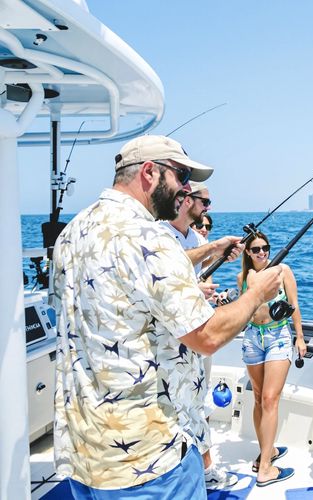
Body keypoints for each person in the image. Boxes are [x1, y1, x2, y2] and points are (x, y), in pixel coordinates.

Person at [50, 135, 285, 499]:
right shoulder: (151, 239)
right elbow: (206, 337)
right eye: (180, 177)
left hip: (85, 453)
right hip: (150, 459)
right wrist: (256, 294)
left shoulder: (71, 234)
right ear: (149, 173)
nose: (186, 190)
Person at [162, 180, 239, 489]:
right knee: (176, 411)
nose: (208, 208)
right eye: (204, 202)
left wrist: (220, 254)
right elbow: (169, 278)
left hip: (195, 339)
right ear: (185, 199)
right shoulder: (160, 235)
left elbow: (198, 264)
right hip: (169, 346)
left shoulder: (192, 236)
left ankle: (203, 472)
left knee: (198, 404)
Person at [237, 231, 306, 487]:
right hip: (253, 338)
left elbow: (294, 304)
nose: (262, 253)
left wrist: (299, 337)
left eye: (265, 248)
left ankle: (264, 467)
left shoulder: (282, 271)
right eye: (256, 249)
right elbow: (244, 310)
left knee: (269, 399)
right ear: (248, 252)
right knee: (257, 397)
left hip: (278, 337)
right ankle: (269, 451)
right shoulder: (243, 277)